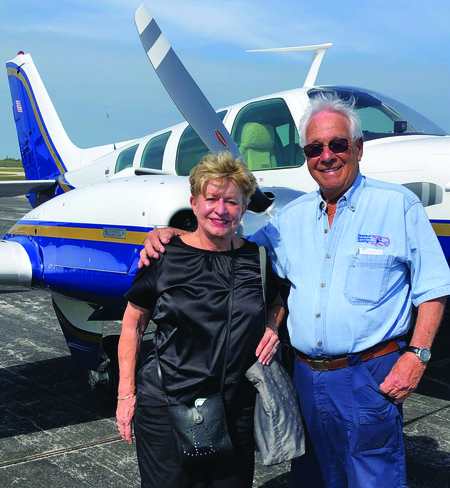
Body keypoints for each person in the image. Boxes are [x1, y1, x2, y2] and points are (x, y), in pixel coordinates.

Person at [140, 95, 450, 488]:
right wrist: (176, 236)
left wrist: (417, 356)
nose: (327, 156)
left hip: (369, 374)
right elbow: (227, 239)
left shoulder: (398, 206)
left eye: (338, 144)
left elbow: (434, 288)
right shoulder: (290, 219)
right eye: (314, 148)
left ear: (357, 148)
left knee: (374, 477)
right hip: (305, 377)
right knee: (312, 477)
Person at [117, 151, 285, 488]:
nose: (221, 210)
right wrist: (125, 394)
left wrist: (272, 325)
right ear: (194, 203)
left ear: (244, 207)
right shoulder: (164, 255)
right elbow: (132, 325)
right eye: (211, 199)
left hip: (235, 405)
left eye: (232, 202)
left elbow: (278, 299)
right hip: (167, 404)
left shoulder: (258, 259)